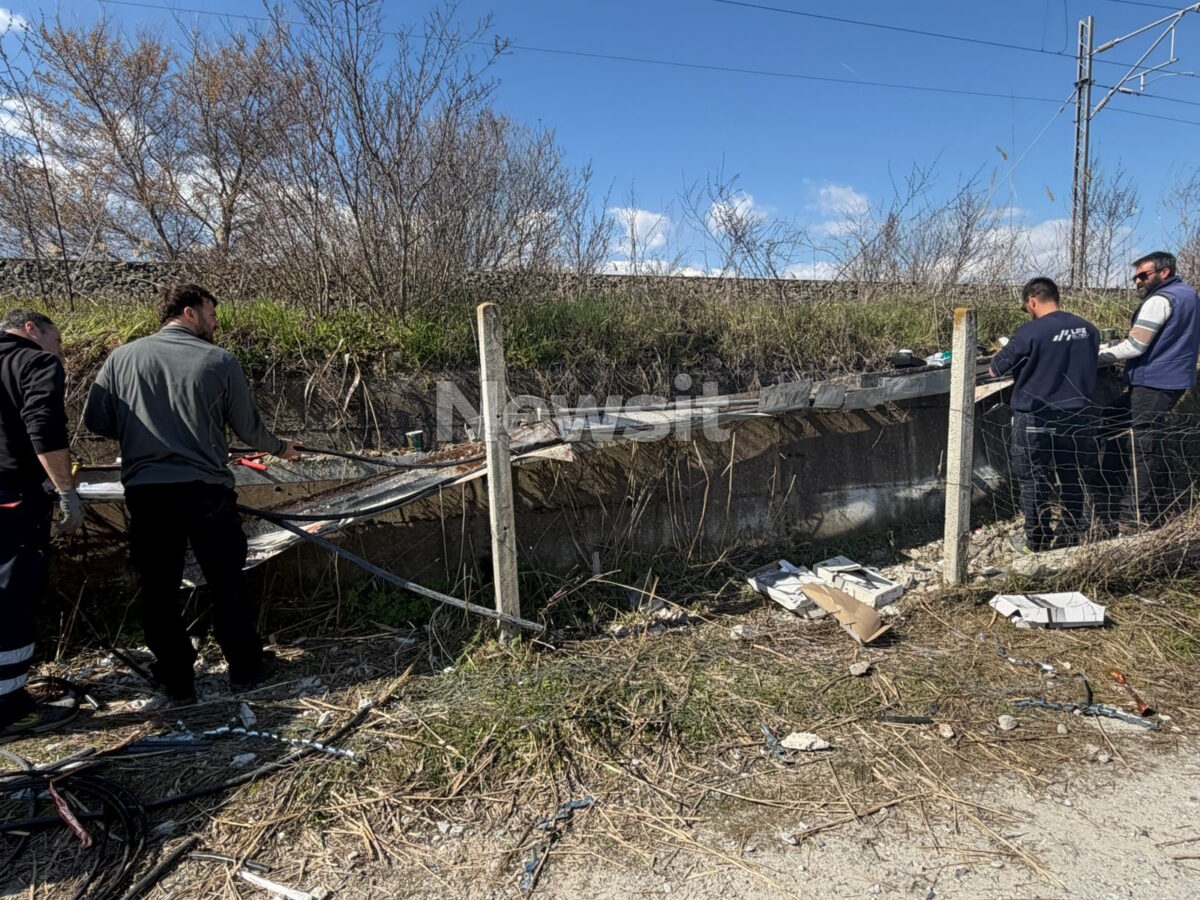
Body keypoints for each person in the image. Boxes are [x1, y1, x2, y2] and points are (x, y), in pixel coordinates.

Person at [84, 284, 300, 702]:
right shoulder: (219, 361)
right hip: (205, 492)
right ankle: (244, 668)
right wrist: (281, 448)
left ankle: (177, 681)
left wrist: (140, 433)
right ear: (189, 312)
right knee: (226, 582)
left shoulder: (120, 359)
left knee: (159, 587)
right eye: (212, 313)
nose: (217, 323)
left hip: (148, 495)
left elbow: (97, 421)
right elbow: (248, 430)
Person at [0, 310, 84, 737]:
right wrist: (66, 490)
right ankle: (12, 709)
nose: (60, 350)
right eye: (58, 339)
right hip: (11, 500)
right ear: (32, 329)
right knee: (11, 598)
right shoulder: (34, 362)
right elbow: (44, 428)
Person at [990, 278, 1100, 553]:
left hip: (1036, 417)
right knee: (1072, 474)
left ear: (1032, 301)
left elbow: (996, 370)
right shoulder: (1089, 329)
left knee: (1034, 479)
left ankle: (1037, 542)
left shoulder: (1030, 333)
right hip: (1079, 416)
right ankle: (1073, 535)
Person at [1098, 250, 1200, 531]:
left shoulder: (1159, 300)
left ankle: (1135, 518)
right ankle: (1117, 491)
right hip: (1173, 381)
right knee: (1111, 420)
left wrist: (1093, 357)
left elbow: (1135, 347)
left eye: (1144, 275)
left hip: (1154, 382)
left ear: (1164, 272)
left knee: (1143, 448)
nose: (1138, 282)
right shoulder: (1188, 295)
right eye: (1136, 277)